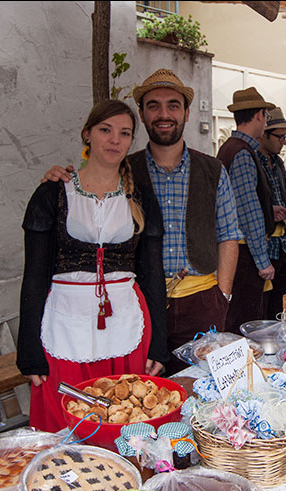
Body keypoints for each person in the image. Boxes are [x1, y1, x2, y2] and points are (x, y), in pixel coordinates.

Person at [41, 69, 242, 376]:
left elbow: (228, 235)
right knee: (146, 394)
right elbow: (87, 193)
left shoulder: (212, 169)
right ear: (143, 116)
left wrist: (222, 297)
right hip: (138, 303)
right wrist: (59, 178)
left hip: (202, 301)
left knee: (204, 389)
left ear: (187, 113)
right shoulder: (122, 169)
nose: (164, 114)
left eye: (173, 105)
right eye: (153, 106)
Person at [17, 100, 168, 432]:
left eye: (124, 133)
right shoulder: (53, 194)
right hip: (64, 324)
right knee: (65, 419)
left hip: (126, 323)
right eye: (105, 130)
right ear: (87, 134)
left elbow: (152, 274)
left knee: (124, 415)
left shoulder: (140, 197)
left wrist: (159, 341)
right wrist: (28, 349)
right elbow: (34, 275)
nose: (115, 140)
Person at [216, 87, 277, 333]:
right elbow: (247, 212)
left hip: (236, 251)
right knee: (244, 325)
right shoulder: (241, 152)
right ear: (260, 115)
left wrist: (270, 209)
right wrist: (263, 262)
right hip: (242, 255)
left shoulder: (230, 147)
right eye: (266, 116)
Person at [255, 106, 286, 320]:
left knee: (282, 307)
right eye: (279, 136)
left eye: (285, 136)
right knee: (263, 310)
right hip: (263, 246)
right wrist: (268, 212)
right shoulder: (252, 161)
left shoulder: (278, 163)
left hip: (282, 246)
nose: (283, 141)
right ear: (264, 134)